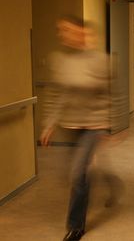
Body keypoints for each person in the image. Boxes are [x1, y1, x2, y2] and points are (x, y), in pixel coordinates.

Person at [39, 16, 111, 241]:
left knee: (77, 173)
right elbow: (59, 95)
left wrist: (110, 127)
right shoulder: (60, 60)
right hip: (71, 125)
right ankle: (111, 182)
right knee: (77, 174)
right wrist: (49, 124)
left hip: (93, 125)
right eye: (61, 31)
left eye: (68, 30)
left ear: (81, 32)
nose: (63, 35)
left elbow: (110, 94)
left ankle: (75, 226)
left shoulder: (99, 60)